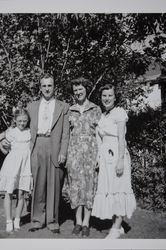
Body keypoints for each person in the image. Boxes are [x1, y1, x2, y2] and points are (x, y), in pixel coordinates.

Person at [91, 83, 136, 239]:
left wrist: (121, 160)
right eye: (104, 95)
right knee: (110, 189)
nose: (107, 98)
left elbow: (121, 139)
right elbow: (100, 140)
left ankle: (115, 229)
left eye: (110, 95)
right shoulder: (103, 116)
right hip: (105, 157)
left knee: (119, 188)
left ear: (115, 97)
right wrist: (98, 157)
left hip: (117, 154)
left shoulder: (119, 112)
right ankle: (118, 225)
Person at [27, 73, 69, 234]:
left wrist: (63, 152)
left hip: (55, 146)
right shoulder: (31, 107)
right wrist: (4, 137)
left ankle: (52, 221)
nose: (47, 88)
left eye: (49, 85)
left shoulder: (63, 106)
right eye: (44, 85)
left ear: (54, 87)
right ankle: (37, 220)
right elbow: (19, 124)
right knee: (38, 184)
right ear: (40, 88)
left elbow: (66, 133)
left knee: (54, 185)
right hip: (37, 144)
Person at [63, 77, 101, 237]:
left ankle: (87, 222)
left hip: (91, 154)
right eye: (75, 90)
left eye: (81, 89)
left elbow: (101, 134)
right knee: (76, 187)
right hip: (74, 155)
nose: (78, 92)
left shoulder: (96, 109)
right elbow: (65, 134)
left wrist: (99, 156)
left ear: (86, 89)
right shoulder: (69, 110)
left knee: (89, 188)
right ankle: (78, 221)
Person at [0, 109, 33, 233]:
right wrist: (0, 144)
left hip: (25, 165)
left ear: (28, 121)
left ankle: (17, 220)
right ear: (15, 121)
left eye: (25, 121)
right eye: (20, 121)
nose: (22, 123)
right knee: (9, 193)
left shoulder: (30, 132)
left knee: (21, 193)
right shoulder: (11, 131)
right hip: (12, 164)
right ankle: (8, 221)